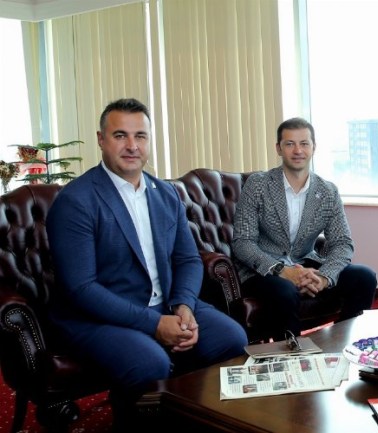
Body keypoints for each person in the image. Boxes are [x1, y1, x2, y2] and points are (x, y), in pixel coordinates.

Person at [46, 98, 248, 428]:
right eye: (120, 135)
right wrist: (154, 324)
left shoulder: (165, 193)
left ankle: (194, 419)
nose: (132, 146)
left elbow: (188, 259)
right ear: (101, 140)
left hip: (165, 304)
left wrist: (183, 306)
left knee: (231, 337)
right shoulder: (76, 200)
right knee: (148, 363)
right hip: (97, 316)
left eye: (140, 136)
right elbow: (81, 288)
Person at [232, 117, 377, 340]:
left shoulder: (327, 191)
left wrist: (324, 277)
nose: (298, 150)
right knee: (285, 290)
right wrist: (282, 271)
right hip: (262, 270)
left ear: (313, 148)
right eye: (290, 144)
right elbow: (243, 242)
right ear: (278, 148)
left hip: (306, 263)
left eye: (304, 143)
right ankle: (293, 354)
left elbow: (342, 243)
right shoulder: (258, 185)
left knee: (364, 277)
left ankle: (341, 342)